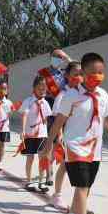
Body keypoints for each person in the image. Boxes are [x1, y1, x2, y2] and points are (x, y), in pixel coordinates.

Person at [42, 52, 108, 214]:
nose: (98, 76)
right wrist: (49, 144)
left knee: (85, 187)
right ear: (83, 73)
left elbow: (106, 119)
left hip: (95, 148)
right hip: (75, 146)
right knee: (83, 185)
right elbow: (59, 121)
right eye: (93, 72)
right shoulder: (71, 95)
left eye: (101, 72)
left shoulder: (103, 95)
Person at [48, 61, 82, 211]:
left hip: (82, 136)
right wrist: (60, 135)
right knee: (65, 166)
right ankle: (57, 195)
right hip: (68, 135)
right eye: (75, 74)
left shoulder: (84, 93)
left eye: (81, 74)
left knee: (80, 169)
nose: (79, 77)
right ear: (67, 76)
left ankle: (80, 202)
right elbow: (58, 118)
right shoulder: (63, 95)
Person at [36, 49, 72, 186]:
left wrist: (68, 58)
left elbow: (80, 70)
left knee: (60, 140)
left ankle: (55, 168)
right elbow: (36, 90)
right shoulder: (42, 73)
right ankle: (49, 172)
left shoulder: (65, 73)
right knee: (48, 140)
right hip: (48, 106)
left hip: (63, 107)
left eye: (61, 57)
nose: (58, 58)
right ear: (50, 56)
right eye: (56, 56)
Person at [19, 76, 52, 192]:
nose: (42, 91)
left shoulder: (45, 103)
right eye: (40, 88)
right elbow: (24, 115)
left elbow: (47, 118)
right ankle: (28, 181)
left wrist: (47, 132)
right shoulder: (28, 101)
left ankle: (41, 182)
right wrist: (23, 130)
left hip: (42, 134)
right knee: (30, 158)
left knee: (42, 157)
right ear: (34, 88)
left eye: (44, 89)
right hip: (30, 134)